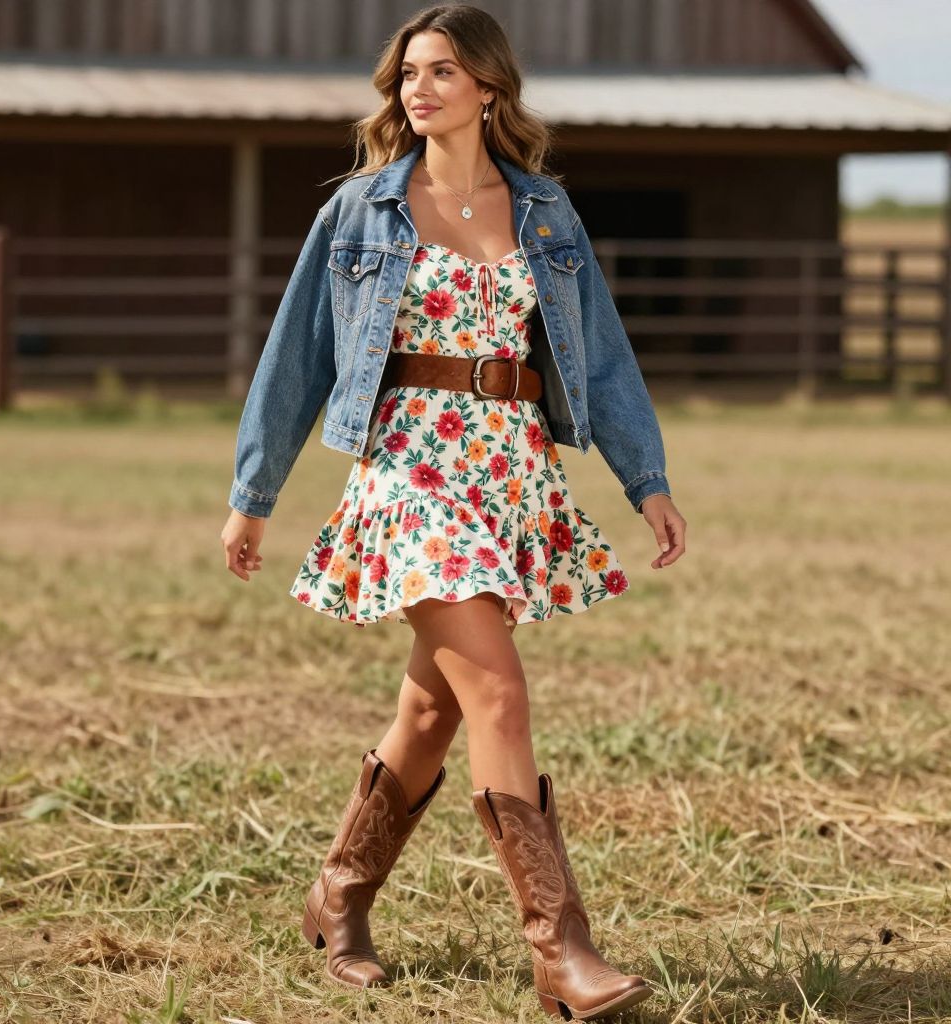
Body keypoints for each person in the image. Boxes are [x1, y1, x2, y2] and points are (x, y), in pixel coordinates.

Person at [220, 4, 686, 1019]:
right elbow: (295, 355)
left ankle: (336, 896)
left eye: (438, 71)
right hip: (411, 469)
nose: (415, 90)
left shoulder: (546, 213)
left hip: (510, 470)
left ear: (488, 88)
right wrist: (253, 495)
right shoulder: (362, 211)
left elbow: (598, 355)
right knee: (500, 697)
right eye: (405, 76)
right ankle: (561, 952)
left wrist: (644, 479)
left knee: (432, 709)